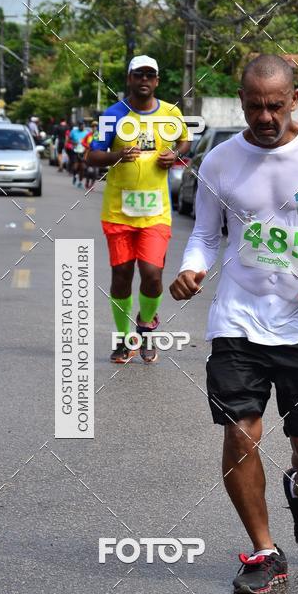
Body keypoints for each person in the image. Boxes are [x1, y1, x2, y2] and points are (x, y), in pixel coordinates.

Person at [170, 54, 298, 594]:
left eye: (275, 106)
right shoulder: (220, 162)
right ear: (242, 102)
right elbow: (206, 234)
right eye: (254, 106)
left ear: (293, 102)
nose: (264, 116)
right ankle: (263, 550)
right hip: (238, 318)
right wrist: (192, 269)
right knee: (240, 432)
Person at [87, 55, 190, 364]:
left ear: (156, 80)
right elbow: (92, 156)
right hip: (118, 211)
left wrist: (174, 153)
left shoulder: (171, 113)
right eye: (138, 75)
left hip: (156, 213)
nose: (144, 80)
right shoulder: (113, 114)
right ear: (129, 79)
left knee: (151, 274)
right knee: (121, 274)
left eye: (150, 75)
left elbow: (185, 140)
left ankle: (145, 327)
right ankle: (122, 340)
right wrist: (117, 155)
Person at [69, 119, 91, 189]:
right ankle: (75, 175)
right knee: (75, 166)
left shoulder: (87, 133)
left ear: (84, 125)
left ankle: (80, 182)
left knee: (82, 167)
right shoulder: (73, 131)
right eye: (80, 125)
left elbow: (90, 141)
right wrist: (73, 143)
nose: (82, 126)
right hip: (75, 151)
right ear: (78, 126)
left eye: (83, 125)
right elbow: (69, 139)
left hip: (83, 152)